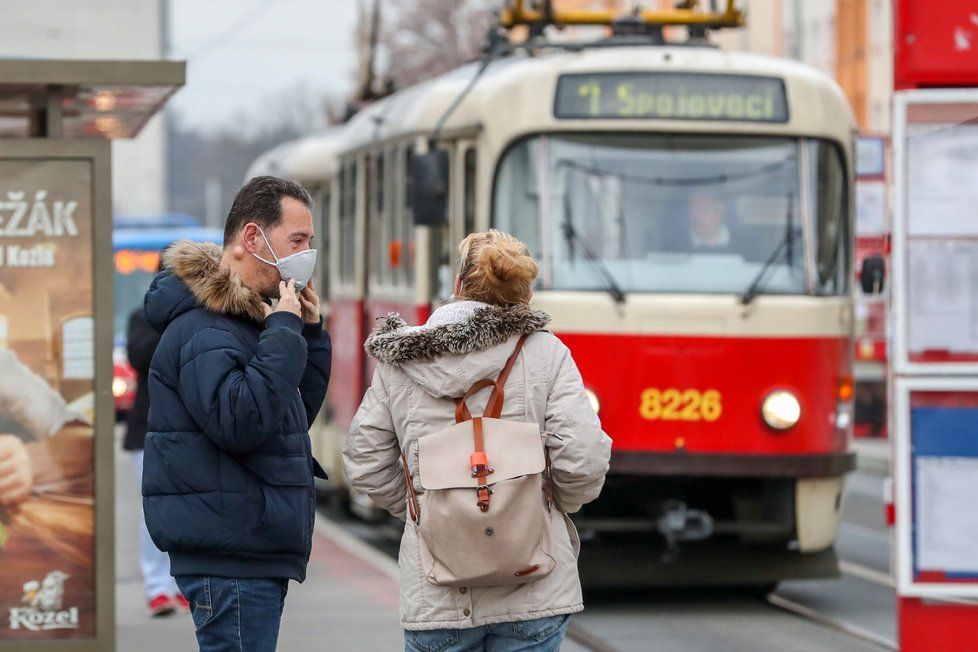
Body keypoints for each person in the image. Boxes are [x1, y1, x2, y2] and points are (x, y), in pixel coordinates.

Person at [344, 229, 612, 652]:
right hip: (532, 592)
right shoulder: (547, 353)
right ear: (525, 295)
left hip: (438, 597)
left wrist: (424, 510)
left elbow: (364, 459)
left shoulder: (401, 360)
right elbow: (584, 460)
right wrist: (543, 506)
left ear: (457, 285)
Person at [141, 176, 331, 651]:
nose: (306, 255)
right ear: (252, 239)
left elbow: (287, 419)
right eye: (297, 241)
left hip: (245, 545)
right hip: (231, 554)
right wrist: (284, 332)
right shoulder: (207, 331)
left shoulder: (244, 323)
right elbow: (242, 423)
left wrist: (306, 336)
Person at [124, 295, 188, 617]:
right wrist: (170, 321)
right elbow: (140, 357)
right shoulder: (142, 317)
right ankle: (157, 586)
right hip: (146, 430)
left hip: (189, 431)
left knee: (188, 509)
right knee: (153, 510)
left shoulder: (200, 314)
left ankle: (182, 584)